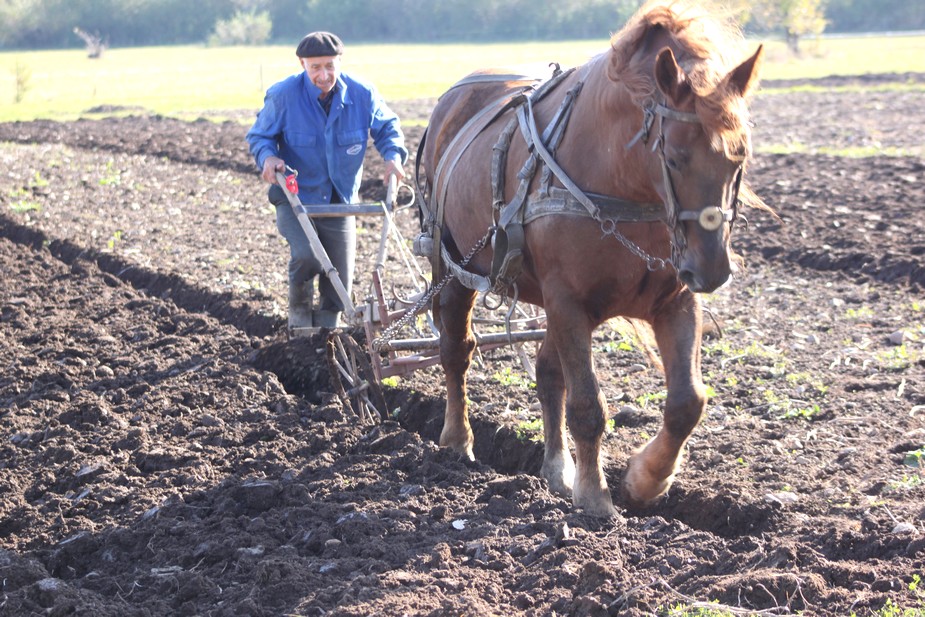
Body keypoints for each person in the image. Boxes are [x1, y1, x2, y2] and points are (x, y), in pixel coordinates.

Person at [246, 31, 408, 330]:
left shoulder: (361, 94)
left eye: (330, 66)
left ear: (339, 62)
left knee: (340, 276)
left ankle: (327, 333)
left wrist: (393, 157)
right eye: (316, 67)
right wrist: (268, 158)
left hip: (340, 198)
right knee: (308, 257)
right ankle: (298, 319)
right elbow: (259, 136)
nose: (324, 75)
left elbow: (387, 127)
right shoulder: (284, 96)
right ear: (302, 64)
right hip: (295, 195)